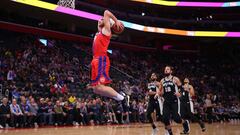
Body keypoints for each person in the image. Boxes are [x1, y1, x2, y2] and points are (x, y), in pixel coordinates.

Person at [87, 10, 127, 111]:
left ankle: (122, 98)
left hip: (101, 60)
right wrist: (101, 22)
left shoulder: (107, 31)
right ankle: (118, 97)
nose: (101, 19)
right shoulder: (101, 31)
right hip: (96, 60)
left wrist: (116, 20)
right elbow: (99, 22)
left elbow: (106, 12)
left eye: (103, 20)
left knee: (100, 87)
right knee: (96, 90)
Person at [159, 66, 189, 135]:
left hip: (174, 101)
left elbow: (181, 88)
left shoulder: (175, 79)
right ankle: (170, 133)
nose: (166, 70)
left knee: (177, 119)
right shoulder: (162, 80)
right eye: (165, 69)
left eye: (167, 69)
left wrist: (179, 93)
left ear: (171, 71)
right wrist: (158, 94)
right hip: (166, 101)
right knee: (165, 118)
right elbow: (160, 91)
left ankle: (185, 122)